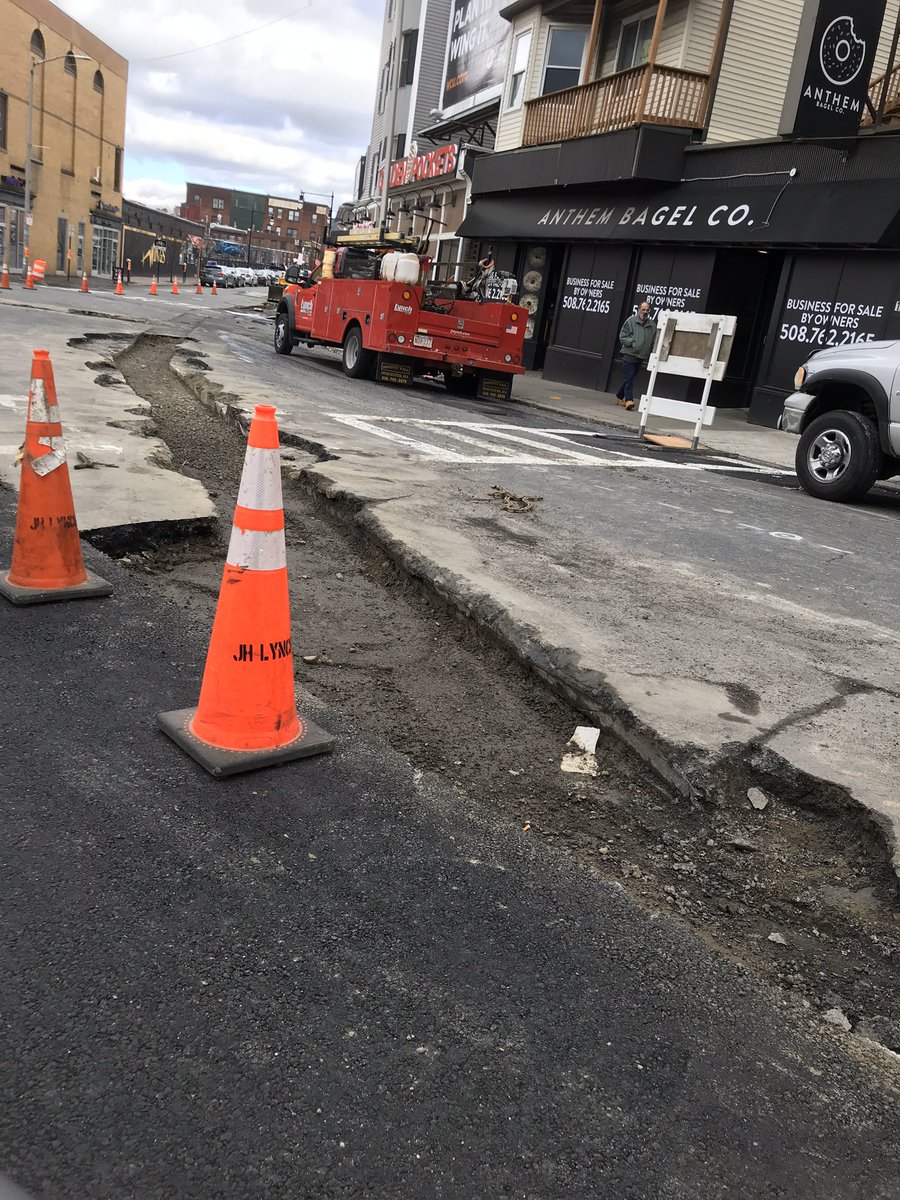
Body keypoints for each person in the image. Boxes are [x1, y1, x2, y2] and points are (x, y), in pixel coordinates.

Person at [615, 300, 657, 411]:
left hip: (641, 356)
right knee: (629, 377)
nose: (645, 312)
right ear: (638, 310)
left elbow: (654, 341)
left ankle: (619, 396)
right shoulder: (631, 321)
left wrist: (652, 351)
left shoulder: (652, 325)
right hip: (629, 353)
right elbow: (623, 336)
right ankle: (629, 400)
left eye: (647, 310)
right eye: (643, 309)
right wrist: (632, 343)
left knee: (630, 377)